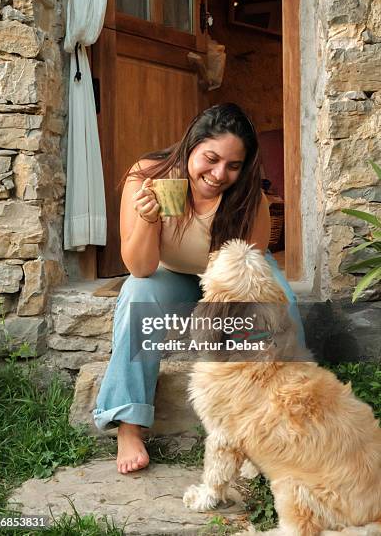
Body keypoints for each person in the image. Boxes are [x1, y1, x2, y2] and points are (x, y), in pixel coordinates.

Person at [93, 103, 304, 474]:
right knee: (137, 295)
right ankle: (129, 425)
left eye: (233, 165)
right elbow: (140, 268)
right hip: (172, 274)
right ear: (192, 145)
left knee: (282, 308)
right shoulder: (147, 175)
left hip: (228, 275)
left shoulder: (246, 196)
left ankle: (284, 422)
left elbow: (247, 269)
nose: (220, 173)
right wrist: (148, 220)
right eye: (211, 158)